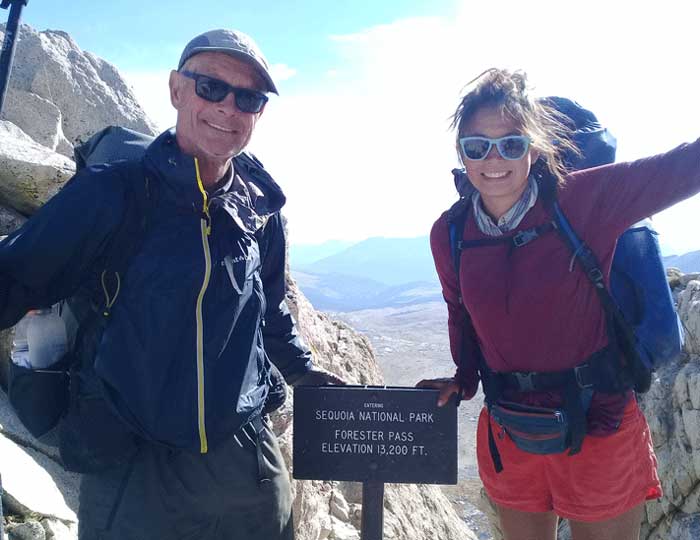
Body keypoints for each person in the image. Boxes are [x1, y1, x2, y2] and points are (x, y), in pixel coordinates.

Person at [0, 28, 343, 540]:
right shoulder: (112, 194)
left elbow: (268, 310)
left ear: (259, 113)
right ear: (176, 90)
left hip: (243, 457)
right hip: (134, 461)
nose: (228, 106)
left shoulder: (258, 208)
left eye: (248, 97)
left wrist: (303, 371)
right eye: (211, 87)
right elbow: (14, 277)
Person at [418, 68, 700, 540]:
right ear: (461, 154)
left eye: (510, 144)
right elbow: (460, 311)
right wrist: (463, 380)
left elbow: (682, 166)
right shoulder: (450, 232)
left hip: (599, 427)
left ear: (533, 146)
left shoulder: (587, 198)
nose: (493, 159)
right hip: (511, 429)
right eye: (476, 147)